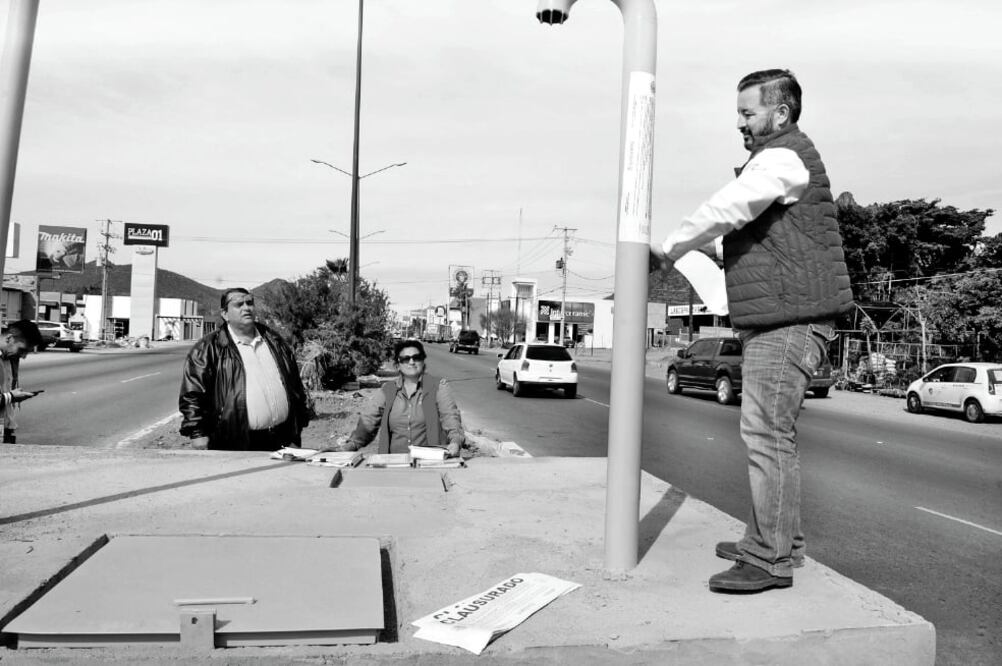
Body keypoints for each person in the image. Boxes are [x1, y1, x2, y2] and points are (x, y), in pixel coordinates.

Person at [650, 69, 853, 593]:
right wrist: (702, 250)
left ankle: (768, 559)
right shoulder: (782, 162)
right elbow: (746, 241)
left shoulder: (782, 157)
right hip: (784, 320)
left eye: (747, 113)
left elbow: (728, 206)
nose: (738, 123)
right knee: (773, 437)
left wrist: (671, 245)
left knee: (766, 436)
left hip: (788, 325)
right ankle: (781, 540)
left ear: (779, 114)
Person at [178, 288, 311, 450]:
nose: (246, 308)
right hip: (234, 441)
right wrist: (197, 433)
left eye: (249, 303)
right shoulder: (207, 349)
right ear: (225, 314)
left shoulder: (275, 341)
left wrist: (297, 428)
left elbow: (295, 385)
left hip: (282, 438)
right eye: (238, 304)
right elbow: (192, 394)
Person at [322, 339, 465, 456]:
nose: (411, 362)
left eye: (417, 357)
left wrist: (455, 442)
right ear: (398, 365)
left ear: (423, 362)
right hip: (395, 464)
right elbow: (368, 421)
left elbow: (450, 417)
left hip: (431, 464)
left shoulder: (439, 387)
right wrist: (350, 446)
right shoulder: (388, 391)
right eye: (406, 359)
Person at [0, 320, 44, 444]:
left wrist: (13, 397)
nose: (23, 356)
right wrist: (11, 396)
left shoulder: (8, 359)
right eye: (22, 350)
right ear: (10, 338)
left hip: (5, 428)